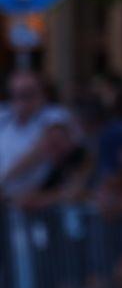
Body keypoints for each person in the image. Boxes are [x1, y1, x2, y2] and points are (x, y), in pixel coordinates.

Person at [0, 71, 72, 200]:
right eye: (15, 94)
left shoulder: (54, 115)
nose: (21, 100)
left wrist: (4, 179)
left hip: (35, 199)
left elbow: (43, 148)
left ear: (42, 93)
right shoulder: (4, 115)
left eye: (27, 94)